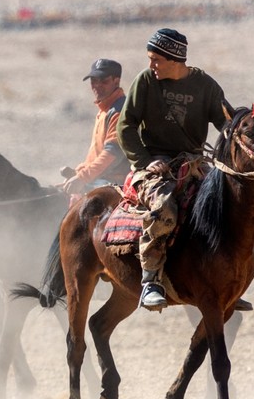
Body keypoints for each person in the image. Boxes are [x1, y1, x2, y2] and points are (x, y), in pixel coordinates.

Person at [117, 28, 228, 311]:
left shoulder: (205, 86)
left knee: (226, 205)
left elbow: (225, 123)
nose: (151, 65)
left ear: (175, 60)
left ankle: (226, 279)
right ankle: (151, 280)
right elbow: (125, 126)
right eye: (150, 58)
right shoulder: (145, 81)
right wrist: (144, 161)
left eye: (156, 59)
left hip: (194, 163)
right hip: (154, 165)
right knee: (164, 208)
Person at [59, 58, 131, 194]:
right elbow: (96, 155)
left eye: (104, 81)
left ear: (116, 81)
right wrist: (79, 172)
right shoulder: (105, 110)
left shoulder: (119, 111)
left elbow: (112, 154)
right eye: (94, 81)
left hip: (115, 184)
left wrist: (82, 178)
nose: (97, 85)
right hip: (99, 179)